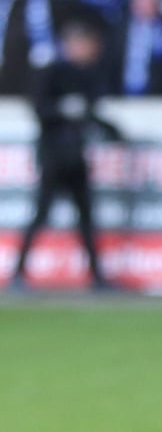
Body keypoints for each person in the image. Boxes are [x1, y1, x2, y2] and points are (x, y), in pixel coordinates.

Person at [9, 20, 121, 291]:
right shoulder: (52, 72)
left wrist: (115, 133)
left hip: (75, 157)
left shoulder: (87, 75)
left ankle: (96, 276)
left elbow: (91, 114)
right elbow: (39, 109)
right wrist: (62, 110)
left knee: (85, 218)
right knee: (41, 214)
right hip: (53, 156)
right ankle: (18, 273)